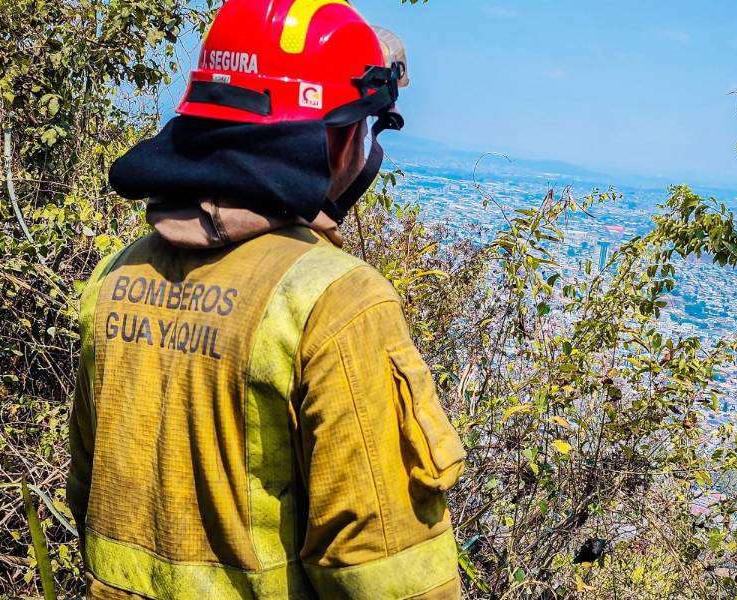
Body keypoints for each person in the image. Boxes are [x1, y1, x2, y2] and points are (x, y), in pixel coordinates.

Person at [65, 1, 466, 598]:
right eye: (364, 126)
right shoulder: (338, 301)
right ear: (337, 140)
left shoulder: (115, 278)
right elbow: (383, 572)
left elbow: (86, 494)